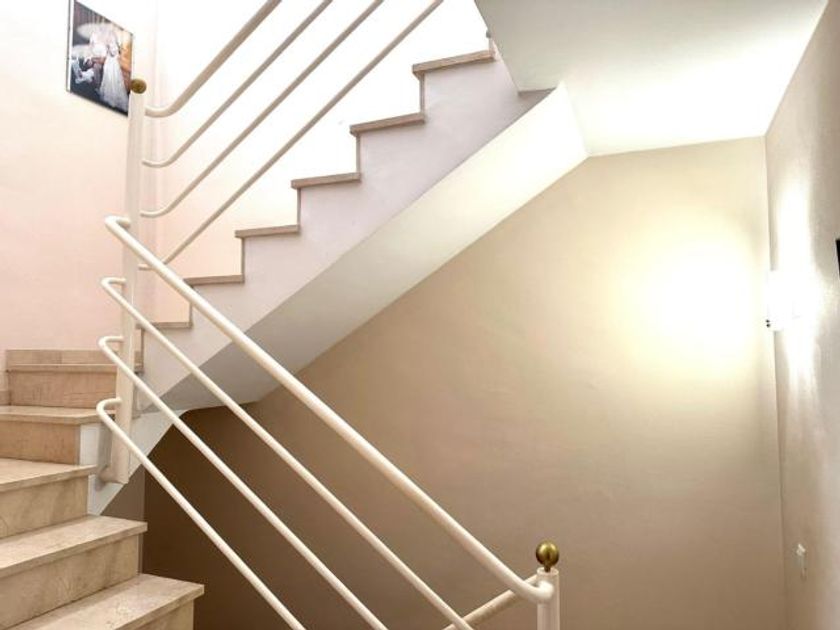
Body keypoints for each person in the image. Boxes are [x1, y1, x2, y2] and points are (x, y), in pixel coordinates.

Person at [98, 33, 128, 111]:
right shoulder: (108, 45)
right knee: (107, 78)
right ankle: (107, 97)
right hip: (108, 64)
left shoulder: (115, 46)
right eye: (109, 38)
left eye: (111, 38)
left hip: (113, 65)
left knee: (113, 80)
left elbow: (113, 54)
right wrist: (107, 48)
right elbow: (106, 54)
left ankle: (113, 99)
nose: (110, 39)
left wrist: (109, 48)